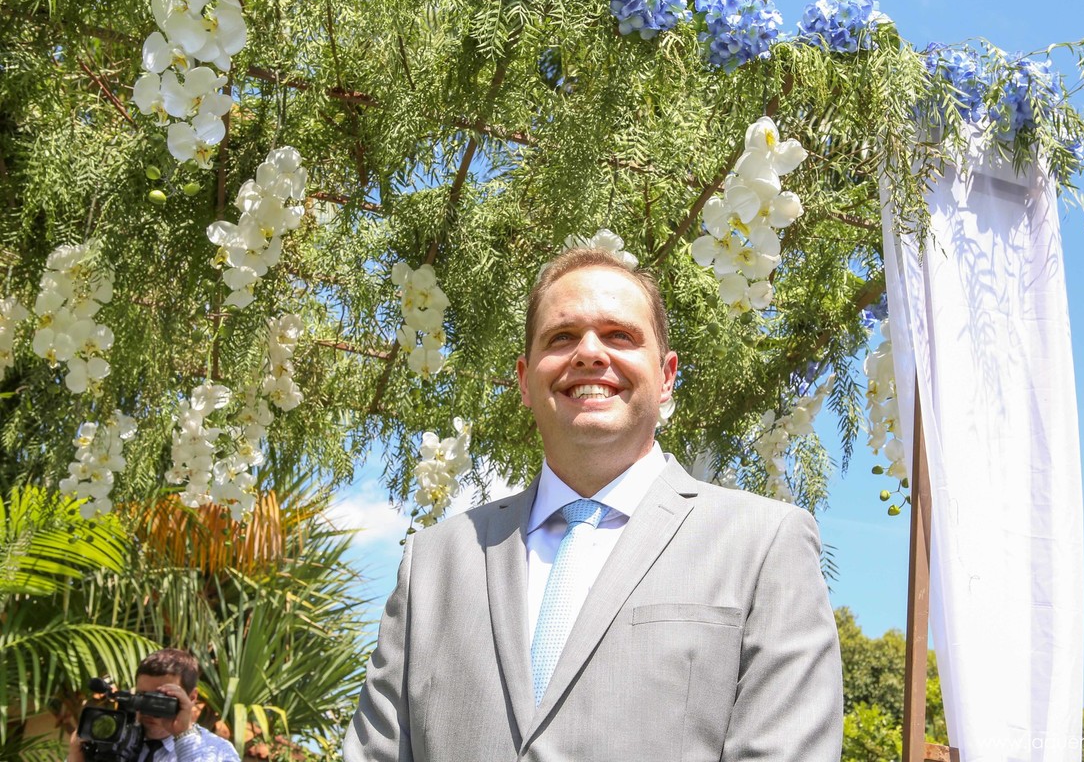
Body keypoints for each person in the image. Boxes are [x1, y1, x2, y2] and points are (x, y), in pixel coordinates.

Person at [345, 248, 842, 761]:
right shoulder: (432, 564)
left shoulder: (764, 544)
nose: (588, 353)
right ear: (524, 379)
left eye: (619, 335)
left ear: (667, 376)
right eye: (561, 337)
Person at [68, 648, 239, 762]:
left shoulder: (217, 750)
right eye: (142, 696)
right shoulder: (114, 739)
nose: (148, 709)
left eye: (161, 698)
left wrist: (183, 734)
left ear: (192, 697)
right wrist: (76, 757)